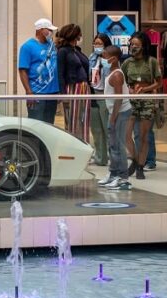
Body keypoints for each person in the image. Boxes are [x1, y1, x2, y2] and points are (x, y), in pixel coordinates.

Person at [121, 33, 161, 180]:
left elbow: (159, 82)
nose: (133, 47)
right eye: (131, 44)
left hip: (146, 100)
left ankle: (140, 167)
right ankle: (135, 159)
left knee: (144, 136)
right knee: (126, 134)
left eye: (136, 45)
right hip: (130, 100)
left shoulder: (152, 62)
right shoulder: (126, 63)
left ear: (143, 46)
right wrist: (129, 90)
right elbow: (122, 81)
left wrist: (145, 89)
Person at [96, 45, 133, 191]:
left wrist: (113, 117)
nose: (102, 58)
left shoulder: (117, 75)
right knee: (112, 145)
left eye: (105, 56)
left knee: (118, 145)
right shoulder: (110, 72)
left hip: (121, 113)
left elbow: (119, 98)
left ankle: (123, 178)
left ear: (114, 59)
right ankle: (113, 173)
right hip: (114, 112)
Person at [18, 18, 59, 124]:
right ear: (40, 30)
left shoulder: (51, 45)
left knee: (49, 124)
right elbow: (22, 70)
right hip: (37, 93)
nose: (51, 32)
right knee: (36, 124)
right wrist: (29, 92)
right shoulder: (27, 47)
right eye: (49, 30)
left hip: (52, 93)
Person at [55, 23, 91, 143]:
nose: (80, 37)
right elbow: (60, 73)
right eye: (79, 34)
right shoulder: (63, 51)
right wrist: (63, 94)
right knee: (73, 120)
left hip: (83, 87)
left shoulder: (76, 50)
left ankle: (84, 144)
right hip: (73, 87)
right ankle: (73, 145)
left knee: (84, 119)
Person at [87, 34, 112, 166]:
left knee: (108, 129)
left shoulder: (110, 59)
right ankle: (100, 158)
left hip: (105, 95)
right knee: (96, 129)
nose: (97, 46)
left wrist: (105, 59)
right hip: (93, 94)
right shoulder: (92, 57)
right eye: (95, 43)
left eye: (99, 43)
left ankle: (114, 158)